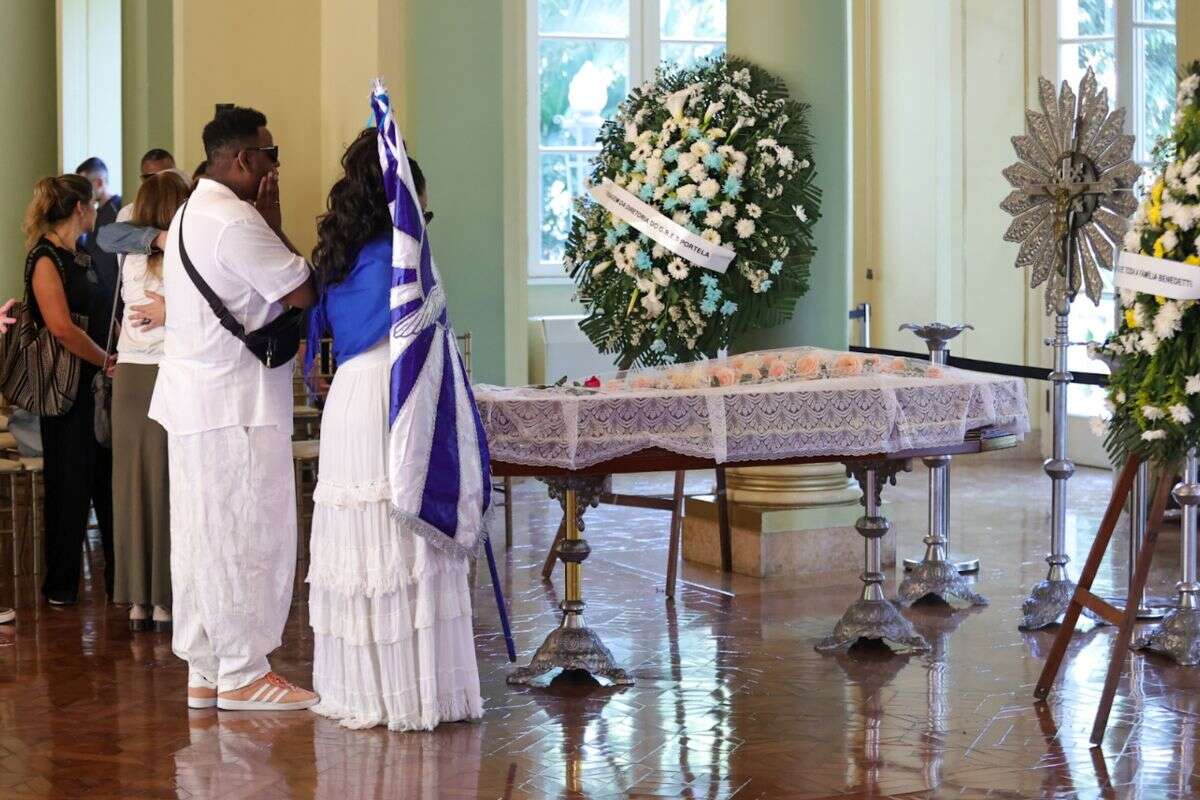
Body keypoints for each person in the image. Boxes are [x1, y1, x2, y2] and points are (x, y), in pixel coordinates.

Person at [304, 128, 482, 731]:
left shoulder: (336, 255)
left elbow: (318, 344)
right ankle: (417, 689)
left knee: (368, 540)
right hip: (398, 392)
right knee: (410, 529)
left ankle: (368, 690)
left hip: (351, 395)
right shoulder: (404, 254)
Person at [148, 106, 318, 712]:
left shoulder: (191, 210)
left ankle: (206, 668)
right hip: (235, 407)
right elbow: (303, 287)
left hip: (194, 402)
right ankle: (244, 672)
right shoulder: (237, 221)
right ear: (244, 159)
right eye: (271, 156)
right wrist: (274, 220)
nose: (275, 168)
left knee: (199, 538)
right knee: (248, 533)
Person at [21, 175, 115, 606]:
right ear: (79, 207)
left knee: (104, 483)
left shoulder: (78, 255)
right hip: (66, 389)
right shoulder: (45, 259)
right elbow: (60, 328)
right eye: (93, 204)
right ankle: (60, 586)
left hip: (93, 385)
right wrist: (105, 360)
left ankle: (119, 581)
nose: (97, 211)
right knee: (70, 485)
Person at [111, 170, 189, 634]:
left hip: (131, 374)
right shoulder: (184, 245)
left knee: (132, 484)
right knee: (166, 482)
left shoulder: (129, 241)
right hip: (168, 369)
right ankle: (165, 598)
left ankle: (138, 599)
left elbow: (108, 234)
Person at [75, 158, 121, 334]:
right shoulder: (86, 215)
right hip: (96, 304)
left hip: (117, 302)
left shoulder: (119, 210)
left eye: (85, 186)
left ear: (99, 182)